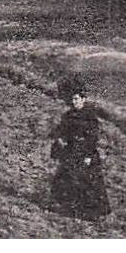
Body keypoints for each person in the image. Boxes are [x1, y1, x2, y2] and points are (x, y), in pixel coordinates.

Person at [48, 74, 110, 221]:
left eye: (76, 99)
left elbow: (92, 137)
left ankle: (93, 213)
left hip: (86, 153)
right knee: (66, 178)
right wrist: (60, 139)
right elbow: (60, 130)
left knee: (89, 182)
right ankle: (66, 208)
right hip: (71, 151)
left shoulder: (89, 116)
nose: (73, 102)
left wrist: (88, 156)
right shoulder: (68, 115)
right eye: (72, 99)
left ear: (83, 99)